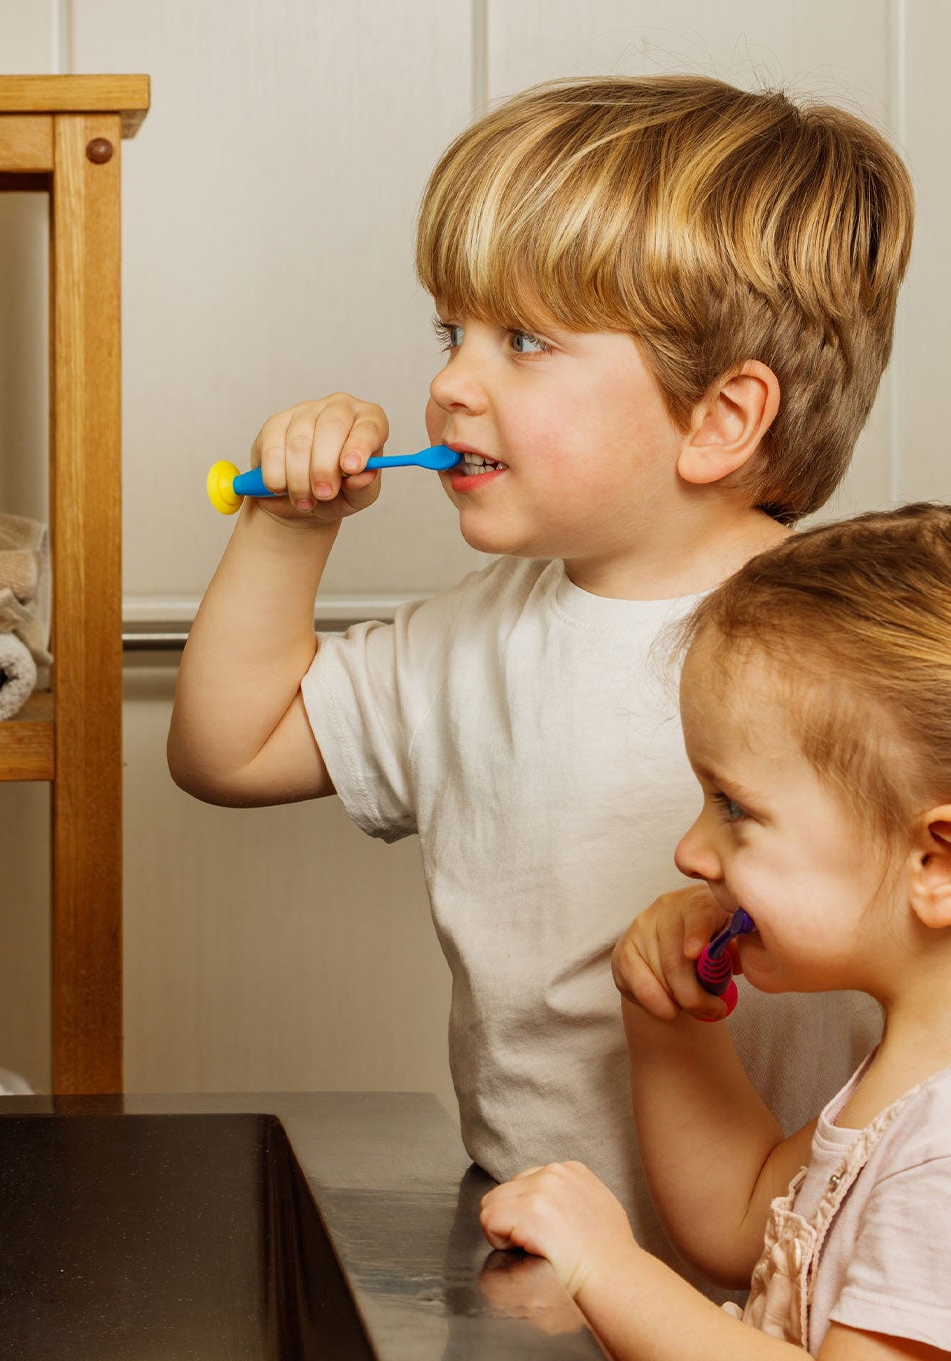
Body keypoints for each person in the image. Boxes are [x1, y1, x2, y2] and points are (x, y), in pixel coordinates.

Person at [168, 75, 914, 1254]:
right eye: (451, 333)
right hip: (537, 1258)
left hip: (803, 1282)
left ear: (719, 418)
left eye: (523, 340)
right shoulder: (474, 641)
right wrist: (287, 526)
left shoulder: (851, 646)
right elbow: (227, 750)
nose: (449, 384)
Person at [479, 506, 951, 1358]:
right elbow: (740, 1221)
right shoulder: (910, 1080)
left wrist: (605, 1268)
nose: (691, 852)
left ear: (937, 863)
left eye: (735, 808)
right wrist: (670, 1019)